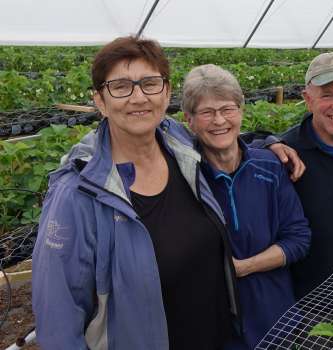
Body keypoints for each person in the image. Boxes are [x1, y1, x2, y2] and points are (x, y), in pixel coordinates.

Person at [32, 36, 240, 350]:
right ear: (99, 101)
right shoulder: (76, 194)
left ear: (167, 92)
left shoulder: (182, 147)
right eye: (120, 87)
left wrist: (274, 144)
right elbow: (58, 319)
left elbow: (227, 137)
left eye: (150, 83)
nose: (138, 97)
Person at [181, 64, 311, 349]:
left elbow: (298, 237)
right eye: (206, 112)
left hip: (275, 317)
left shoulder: (270, 166)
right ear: (188, 120)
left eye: (228, 109)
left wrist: (242, 268)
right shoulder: (185, 177)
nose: (219, 121)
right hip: (214, 325)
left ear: (241, 111)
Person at [269, 51, 333, 299]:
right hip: (310, 309)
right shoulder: (285, 154)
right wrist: (265, 142)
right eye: (327, 95)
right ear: (308, 99)